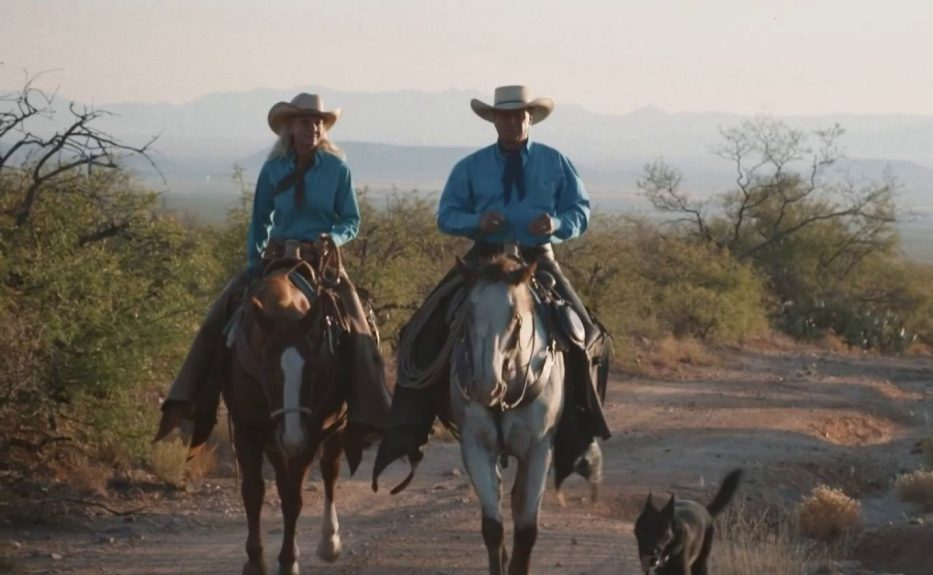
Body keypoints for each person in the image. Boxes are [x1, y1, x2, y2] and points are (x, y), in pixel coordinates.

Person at [373, 85, 610, 487]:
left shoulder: (556, 163)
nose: (512, 122)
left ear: (530, 118)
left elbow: (580, 210)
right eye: (504, 116)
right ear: (493, 120)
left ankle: (581, 434)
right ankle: (410, 427)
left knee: (586, 334)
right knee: (421, 327)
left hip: (538, 260)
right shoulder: (471, 167)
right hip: (483, 259)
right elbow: (446, 215)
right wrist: (476, 223)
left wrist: (556, 225)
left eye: (519, 115)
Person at [155, 93, 389, 447]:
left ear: (323, 128)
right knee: (220, 313)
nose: (311, 128)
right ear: (289, 128)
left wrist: (334, 237)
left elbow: (351, 220)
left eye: (317, 122)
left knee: (357, 320)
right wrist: (253, 263)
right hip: (277, 257)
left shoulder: (338, 170)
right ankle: (189, 401)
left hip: (320, 259)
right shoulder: (273, 169)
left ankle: (372, 412)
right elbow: (260, 220)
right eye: (304, 122)